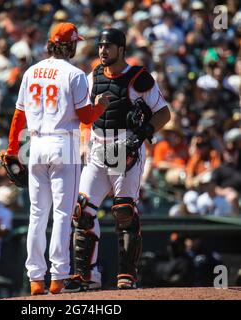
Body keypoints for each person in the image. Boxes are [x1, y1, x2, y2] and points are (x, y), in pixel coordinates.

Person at [3, 22, 109, 295]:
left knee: (37, 214)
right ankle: (58, 276)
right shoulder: (74, 74)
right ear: (71, 45)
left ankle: (35, 277)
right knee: (62, 214)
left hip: (35, 143)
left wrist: (13, 148)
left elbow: (19, 116)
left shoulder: (31, 71)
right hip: (64, 143)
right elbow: (86, 117)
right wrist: (101, 107)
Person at [64, 28, 170, 292]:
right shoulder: (93, 76)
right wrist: (84, 140)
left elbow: (164, 114)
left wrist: (141, 136)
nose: (102, 51)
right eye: (100, 46)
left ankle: (127, 275)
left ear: (121, 49)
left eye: (108, 46)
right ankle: (87, 276)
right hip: (99, 147)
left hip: (126, 146)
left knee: (124, 211)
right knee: (82, 210)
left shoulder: (139, 78)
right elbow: (85, 112)